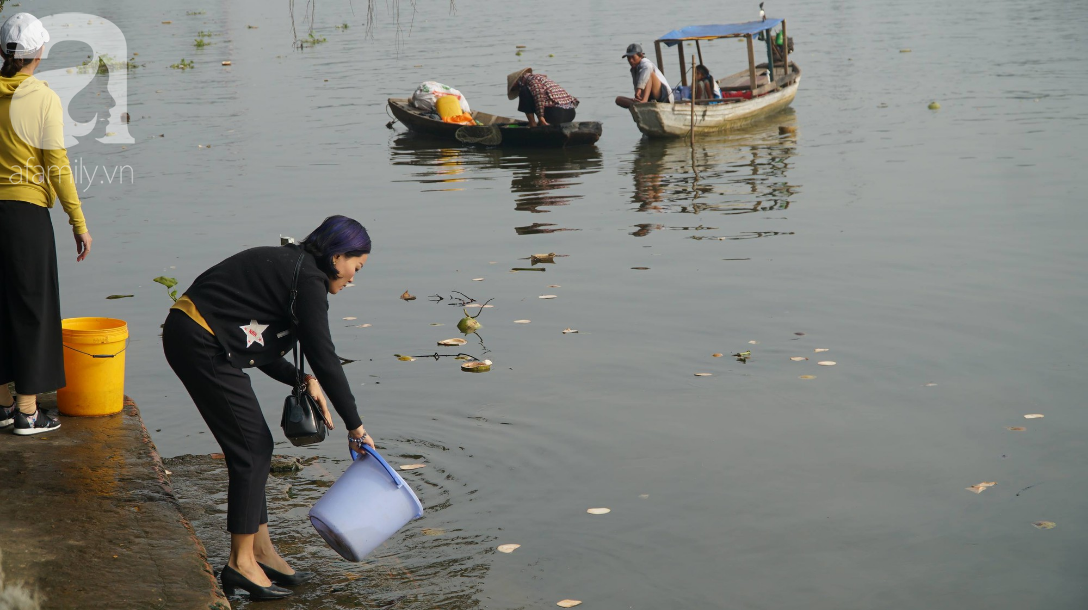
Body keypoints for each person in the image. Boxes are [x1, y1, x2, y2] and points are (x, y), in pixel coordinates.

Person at [162, 215, 374, 601]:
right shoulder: (308, 282)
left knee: (254, 444)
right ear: (337, 255)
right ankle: (240, 562)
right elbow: (324, 357)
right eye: (355, 267)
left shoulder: (297, 269)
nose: (353, 277)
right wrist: (355, 426)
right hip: (199, 340)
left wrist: (301, 378)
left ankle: (261, 551)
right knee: (252, 446)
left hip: (203, 336)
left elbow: (253, 339)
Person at [0, 13, 92, 436]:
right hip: (24, 215)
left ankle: (4, 405)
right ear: (38, 53)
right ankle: (27, 411)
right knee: (34, 307)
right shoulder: (42, 97)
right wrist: (78, 221)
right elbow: (57, 165)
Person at [506, 68, 579, 127]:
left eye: (513, 89)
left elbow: (539, 96)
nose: (516, 90)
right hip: (570, 114)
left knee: (524, 91)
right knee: (528, 92)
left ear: (515, 83)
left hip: (556, 114)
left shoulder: (531, 81)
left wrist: (540, 117)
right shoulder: (543, 79)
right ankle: (539, 122)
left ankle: (532, 124)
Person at [615, 43, 673, 109]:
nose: (631, 60)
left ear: (641, 56)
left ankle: (644, 102)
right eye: (628, 58)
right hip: (649, 98)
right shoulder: (633, 70)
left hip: (663, 95)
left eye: (633, 57)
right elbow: (637, 89)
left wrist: (639, 89)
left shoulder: (645, 62)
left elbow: (648, 68)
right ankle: (639, 105)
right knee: (618, 99)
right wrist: (637, 97)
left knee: (649, 73)